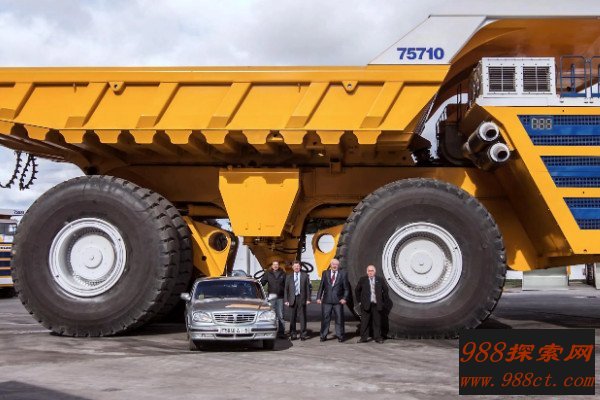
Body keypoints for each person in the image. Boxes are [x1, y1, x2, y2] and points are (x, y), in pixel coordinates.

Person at [316, 258, 349, 342]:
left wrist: (344, 298)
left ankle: (340, 336)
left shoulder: (343, 274)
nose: (335, 266)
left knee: (339, 319)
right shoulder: (325, 273)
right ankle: (323, 336)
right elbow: (321, 286)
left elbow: (346, 288)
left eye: (336, 264)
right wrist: (318, 297)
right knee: (325, 319)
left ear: (338, 265)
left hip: (338, 301)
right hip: (326, 301)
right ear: (330, 265)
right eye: (333, 264)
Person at [355, 265, 388, 343]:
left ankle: (378, 337)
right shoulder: (363, 279)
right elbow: (357, 290)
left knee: (377, 322)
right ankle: (363, 338)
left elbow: (385, 290)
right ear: (367, 272)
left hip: (376, 305)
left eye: (372, 271)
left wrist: (382, 302)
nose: (370, 272)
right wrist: (360, 301)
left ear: (375, 272)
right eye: (369, 271)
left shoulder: (380, 279)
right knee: (364, 322)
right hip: (366, 305)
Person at [284, 260, 311, 340]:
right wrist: (286, 300)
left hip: (302, 298)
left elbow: (308, 288)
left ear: (300, 267)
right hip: (292, 299)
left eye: (298, 266)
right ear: (292, 267)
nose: (296, 268)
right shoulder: (289, 277)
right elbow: (286, 289)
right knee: (292, 317)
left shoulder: (305, 276)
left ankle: (303, 334)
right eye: (295, 266)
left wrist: (308, 299)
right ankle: (293, 334)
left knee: (302, 317)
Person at [260, 261, 286, 338]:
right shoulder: (268, 273)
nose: (275, 266)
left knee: (280, 315)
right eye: (274, 264)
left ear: (279, 265)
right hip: (271, 298)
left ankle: (281, 333)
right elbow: (262, 283)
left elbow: (287, 285)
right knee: (271, 315)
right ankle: (271, 331)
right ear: (272, 266)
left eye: (277, 264)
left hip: (280, 297)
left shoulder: (283, 274)